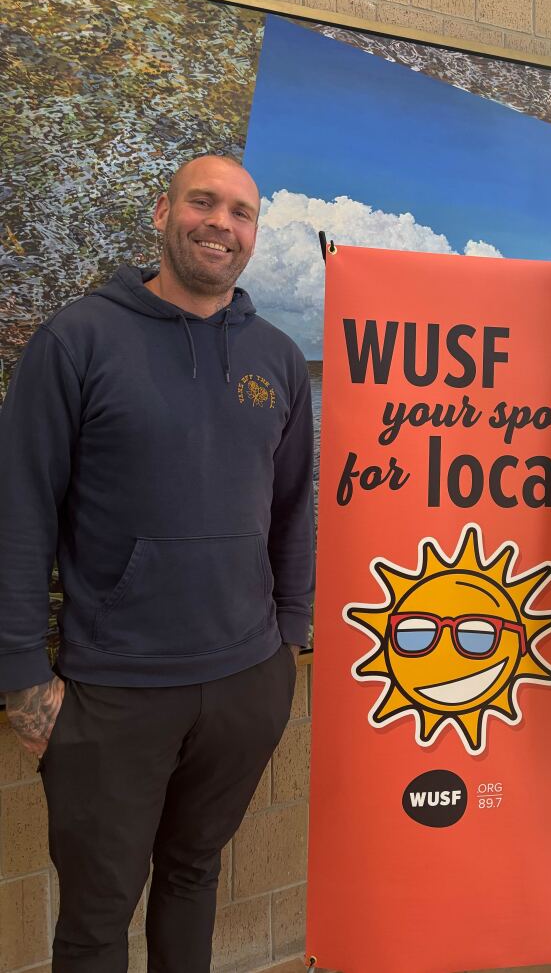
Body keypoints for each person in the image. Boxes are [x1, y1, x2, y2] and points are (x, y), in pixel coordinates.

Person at [0, 154, 315, 972]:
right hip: (114, 692)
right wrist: (23, 677)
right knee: (95, 919)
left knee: (193, 875)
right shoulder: (77, 339)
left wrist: (287, 638)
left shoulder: (277, 358)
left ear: (254, 233)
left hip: (246, 683)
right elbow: (20, 509)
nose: (221, 224)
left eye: (241, 212)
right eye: (203, 202)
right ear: (162, 211)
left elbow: (291, 508)